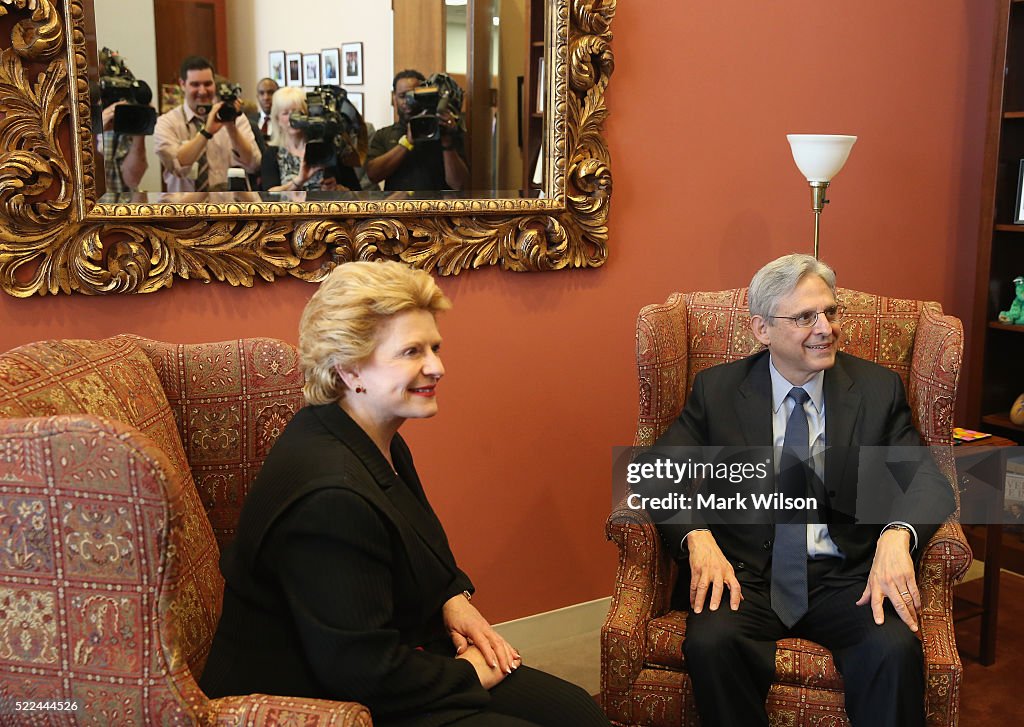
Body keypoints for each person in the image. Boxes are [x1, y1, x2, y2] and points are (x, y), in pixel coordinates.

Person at [200, 261, 609, 727]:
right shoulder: (331, 496)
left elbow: (413, 545)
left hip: (383, 660)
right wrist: (467, 674)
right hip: (321, 702)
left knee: (578, 712)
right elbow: (360, 673)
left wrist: (452, 597)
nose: (436, 366)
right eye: (411, 351)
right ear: (349, 368)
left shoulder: (372, 438)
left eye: (434, 347)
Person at [631, 253, 955, 727]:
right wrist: (696, 538)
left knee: (893, 648)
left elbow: (926, 481)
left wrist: (896, 535)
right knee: (711, 643)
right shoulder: (718, 390)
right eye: (805, 317)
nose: (825, 328)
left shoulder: (876, 389)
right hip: (745, 576)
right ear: (762, 329)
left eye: (830, 312)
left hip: (845, 577)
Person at [153, 56, 260, 193]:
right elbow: (177, 167)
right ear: (182, 84)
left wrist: (231, 127)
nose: (202, 91)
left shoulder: (236, 119)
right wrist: (206, 132)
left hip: (229, 208)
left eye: (208, 84)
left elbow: (253, 164)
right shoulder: (167, 123)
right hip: (187, 209)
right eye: (195, 85)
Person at [366, 70, 469, 192]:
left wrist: (447, 142)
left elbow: (460, 185)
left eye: (413, 96)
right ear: (393, 97)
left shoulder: (446, 132)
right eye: (402, 96)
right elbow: (373, 175)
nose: (407, 102)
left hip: (437, 208)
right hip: (399, 209)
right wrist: (406, 143)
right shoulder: (384, 135)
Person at [261, 87, 360, 192]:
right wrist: (298, 181)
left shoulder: (328, 147)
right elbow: (269, 196)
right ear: (277, 119)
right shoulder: (272, 154)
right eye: (285, 113)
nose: (292, 118)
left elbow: (357, 192)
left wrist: (337, 189)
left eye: (297, 112)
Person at [98, 101, 148, 195]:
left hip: (125, 205)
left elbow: (133, 181)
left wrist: (140, 132)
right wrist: (97, 130)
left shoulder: (126, 129)